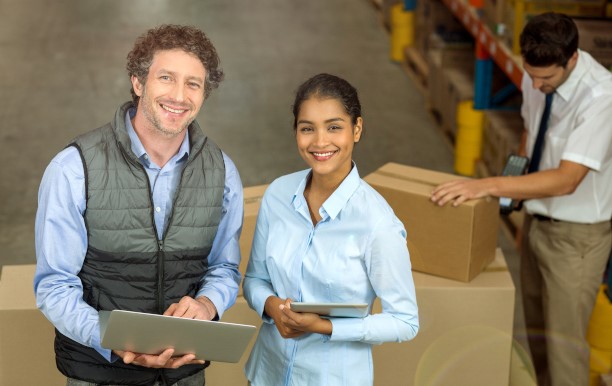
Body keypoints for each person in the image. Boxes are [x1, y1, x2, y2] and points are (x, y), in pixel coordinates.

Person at [34, 24, 243, 386]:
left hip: (183, 376)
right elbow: (55, 286)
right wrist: (116, 341)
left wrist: (207, 305)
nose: (179, 96)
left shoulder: (223, 172)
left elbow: (224, 269)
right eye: (166, 78)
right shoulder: (74, 169)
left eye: (193, 84)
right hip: (100, 375)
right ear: (138, 83)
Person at [430, 13, 612, 386]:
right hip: (536, 224)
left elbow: (567, 180)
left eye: (546, 78)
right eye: (531, 75)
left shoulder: (601, 97)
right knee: (538, 336)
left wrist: (488, 186)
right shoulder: (537, 77)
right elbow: (530, 136)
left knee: (565, 348)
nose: (535, 84)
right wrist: (514, 202)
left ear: (572, 59)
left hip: (577, 240)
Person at [242, 73, 419, 386]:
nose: (320, 142)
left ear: (357, 129)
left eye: (334, 127)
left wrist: (325, 327)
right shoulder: (278, 195)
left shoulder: (377, 223)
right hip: (266, 373)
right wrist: (273, 307)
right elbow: (256, 279)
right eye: (307, 128)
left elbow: (404, 322)